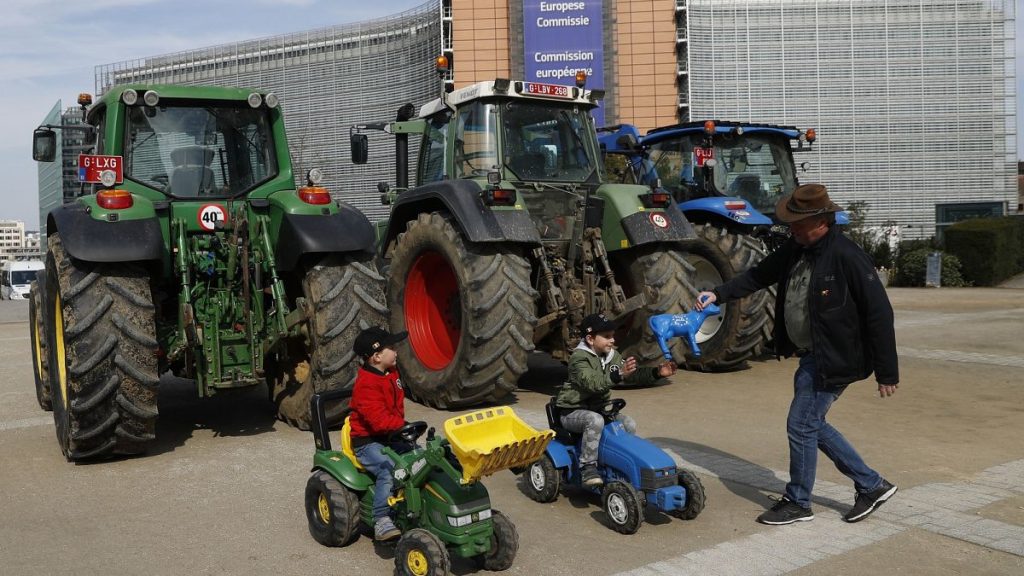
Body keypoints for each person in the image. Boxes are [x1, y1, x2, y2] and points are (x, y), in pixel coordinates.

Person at [694, 183, 899, 525]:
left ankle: (799, 501)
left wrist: (887, 371)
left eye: (797, 224)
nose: (791, 229)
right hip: (811, 355)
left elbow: (879, 313)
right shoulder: (796, 248)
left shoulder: (847, 255)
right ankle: (871, 485)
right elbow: (759, 276)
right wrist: (719, 294)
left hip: (838, 356)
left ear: (821, 221)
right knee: (811, 424)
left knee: (801, 424)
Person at [555, 313, 677, 487]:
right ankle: (587, 467)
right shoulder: (579, 359)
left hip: (599, 408)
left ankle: (618, 465)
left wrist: (656, 373)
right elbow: (593, 383)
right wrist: (618, 374)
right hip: (572, 412)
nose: (612, 340)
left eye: (612, 335)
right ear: (590, 339)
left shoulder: (612, 356)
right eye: (606, 336)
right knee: (594, 421)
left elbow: (631, 376)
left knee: (628, 423)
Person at [348, 326, 411, 541]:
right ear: (376, 356)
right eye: (392, 348)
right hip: (368, 443)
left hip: (392, 434)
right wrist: (401, 426)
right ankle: (382, 519)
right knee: (390, 470)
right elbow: (379, 421)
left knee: (420, 460)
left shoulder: (390, 372)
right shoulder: (366, 385)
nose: (397, 351)